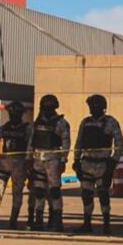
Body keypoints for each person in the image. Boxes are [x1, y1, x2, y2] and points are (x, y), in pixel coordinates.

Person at [73, 94, 123, 234]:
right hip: (87, 162)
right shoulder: (85, 122)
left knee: (103, 195)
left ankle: (106, 224)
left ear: (102, 107)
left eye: (95, 105)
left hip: (103, 164)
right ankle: (87, 222)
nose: (92, 108)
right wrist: (76, 160)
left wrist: (113, 162)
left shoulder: (110, 122)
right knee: (86, 194)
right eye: (91, 106)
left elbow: (120, 144)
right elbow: (79, 142)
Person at [26, 94, 71, 232]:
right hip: (38, 158)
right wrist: (29, 158)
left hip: (53, 159)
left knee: (54, 191)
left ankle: (57, 220)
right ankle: (39, 219)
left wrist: (63, 160)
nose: (47, 109)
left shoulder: (61, 123)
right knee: (39, 190)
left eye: (49, 107)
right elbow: (31, 141)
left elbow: (66, 143)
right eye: (45, 107)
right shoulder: (37, 122)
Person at [0, 100, 30, 230]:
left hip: (19, 164)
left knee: (17, 193)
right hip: (3, 163)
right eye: (11, 113)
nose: (13, 115)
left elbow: (30, 147)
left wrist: (29, 164)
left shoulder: (27, 129)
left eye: (16, 113)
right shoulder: (3, 128)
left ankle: (13, 219)